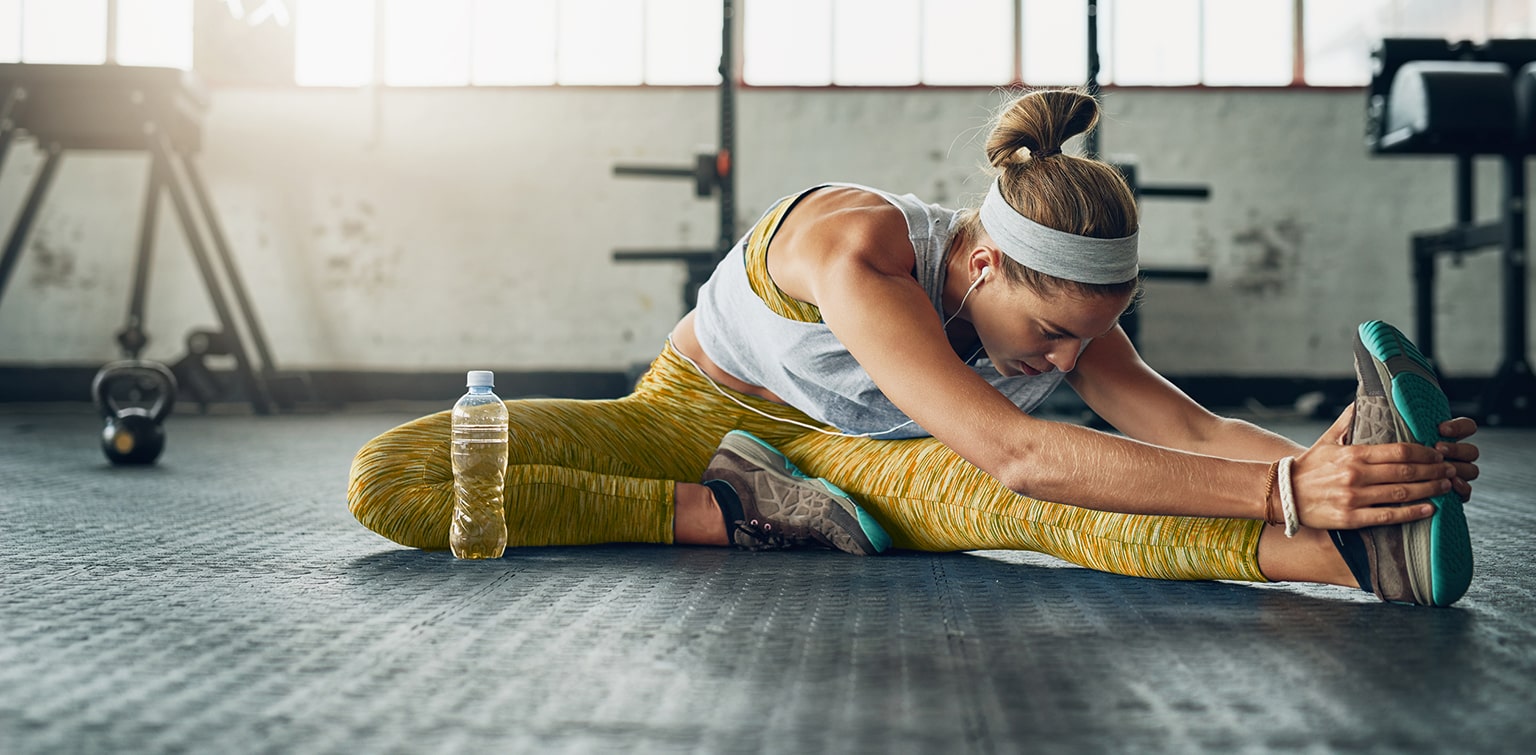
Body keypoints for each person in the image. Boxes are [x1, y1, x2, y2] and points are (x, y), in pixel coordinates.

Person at [348, 88, 1481, 607]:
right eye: (1046, 336)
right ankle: (741, 513)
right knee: (394, 476)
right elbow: (1021, 445)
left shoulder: (1050, 307)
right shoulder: (857, 248)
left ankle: (1359, 560)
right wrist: (1291, 484)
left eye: (1085, 343)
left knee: (1026, 514)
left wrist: (1345, 486)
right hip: (697, 413)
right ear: (983, 264)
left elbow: (1179, 427)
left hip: (850, 464)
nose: (1056, 361)